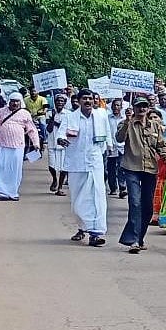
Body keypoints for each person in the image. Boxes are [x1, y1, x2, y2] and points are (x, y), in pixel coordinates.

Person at [117, 96, 166, 254]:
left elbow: (161, 145)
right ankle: (132, 240)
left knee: (148, 206)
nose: (142, 109)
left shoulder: (155, 126)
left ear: (148, 108)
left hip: (150, 168)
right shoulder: (127, 123)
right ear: (133, 107)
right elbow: (119, 139)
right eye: (139, 106)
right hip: (131, 167)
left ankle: (140, 237)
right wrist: (127, 121)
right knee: (135, 202)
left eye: (145, 106)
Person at [59, 89, 111, 247]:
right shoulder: (70, 117)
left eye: (90, 98)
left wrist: (109, 146)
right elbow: (60, 134)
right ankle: (82, 228)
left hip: (95, 162)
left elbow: (107, 132)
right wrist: (61, 140)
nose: (88, 101)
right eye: (85, 99)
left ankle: (96, 233)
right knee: (78, 199)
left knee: (97, 197)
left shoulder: (101, 114)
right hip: (76, 163)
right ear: (79, 101)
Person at [0, 92, 39, 201]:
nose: (14, 103)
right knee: (2, 168)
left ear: (20, 102)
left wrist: (36, 143)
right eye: (12, 101)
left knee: (15, 170)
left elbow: (32, 130)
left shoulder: (25, 114)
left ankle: (13, 192)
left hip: (18, 146)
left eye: (17, 101)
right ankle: (3, 191)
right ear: (9, 101)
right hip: (3, 145)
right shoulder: (1, 111)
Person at [45, 94, 71, 194]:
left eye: (62, 101)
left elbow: (67, 127)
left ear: (64, 103)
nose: (59, 103)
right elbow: (49, 128)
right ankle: (55, 179)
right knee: (51, 165)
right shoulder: (50, 113)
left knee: (63, 167)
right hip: (52, 142)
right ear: (55, 102)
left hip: (63, 143)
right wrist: (52, 117)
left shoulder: (68, 114)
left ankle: (60, 187)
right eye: (58, 101)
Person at [105, 99, 126, 198]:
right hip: (111, 147)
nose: (116, 107)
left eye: (118, 105)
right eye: (114, 105)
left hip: (122, 147)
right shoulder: (107, 118)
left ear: (121, 107)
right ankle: (113, 187)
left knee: (122, 168)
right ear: (111, 107)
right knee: (111, 168)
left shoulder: (125, 119)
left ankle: (122, 187)